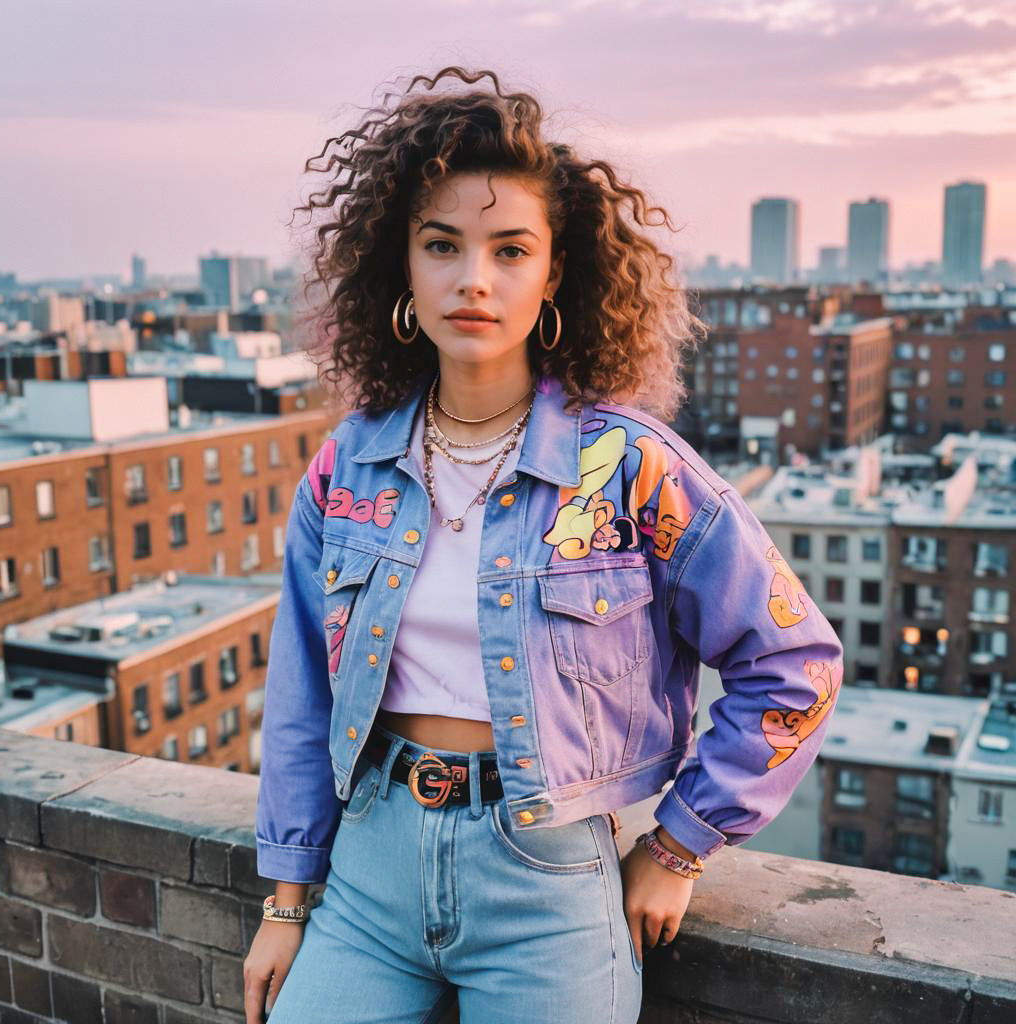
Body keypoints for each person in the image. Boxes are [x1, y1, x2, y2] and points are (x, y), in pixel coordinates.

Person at [243, 66, 844, 1024]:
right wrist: (286, 893)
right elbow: (301, 696)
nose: (473, 278)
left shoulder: (629, 469)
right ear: (402, 264)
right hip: (367, 872)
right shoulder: (345, 470)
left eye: (509, 249)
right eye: (442, 244)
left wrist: (681, 842)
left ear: (553, 271)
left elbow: (795, 662)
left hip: (547, 884)